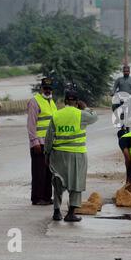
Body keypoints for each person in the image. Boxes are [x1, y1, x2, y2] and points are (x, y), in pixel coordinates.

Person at [45, 90, 98, 222]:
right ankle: (70, 214)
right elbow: (94, 116)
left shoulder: (56, 115)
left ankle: (57, 212)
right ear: (76, 102)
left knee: (57, 183)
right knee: (76, 183)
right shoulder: (81, 114)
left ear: (65, 101)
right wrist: (85, 107)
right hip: (77, 154)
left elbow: (49, 137)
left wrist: (47, 154)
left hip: (58, 155)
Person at [27, 78, 58, 206]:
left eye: (50, 88)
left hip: (50, 143)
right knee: (39, 172)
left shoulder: (52, 102)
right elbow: (31, 124)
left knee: (48, 172)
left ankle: (46, 197)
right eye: (45, 88)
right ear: (41, 88)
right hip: (39, 144)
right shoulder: (35, 101)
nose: (48, 90)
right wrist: (35, 142)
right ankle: (37, 198)